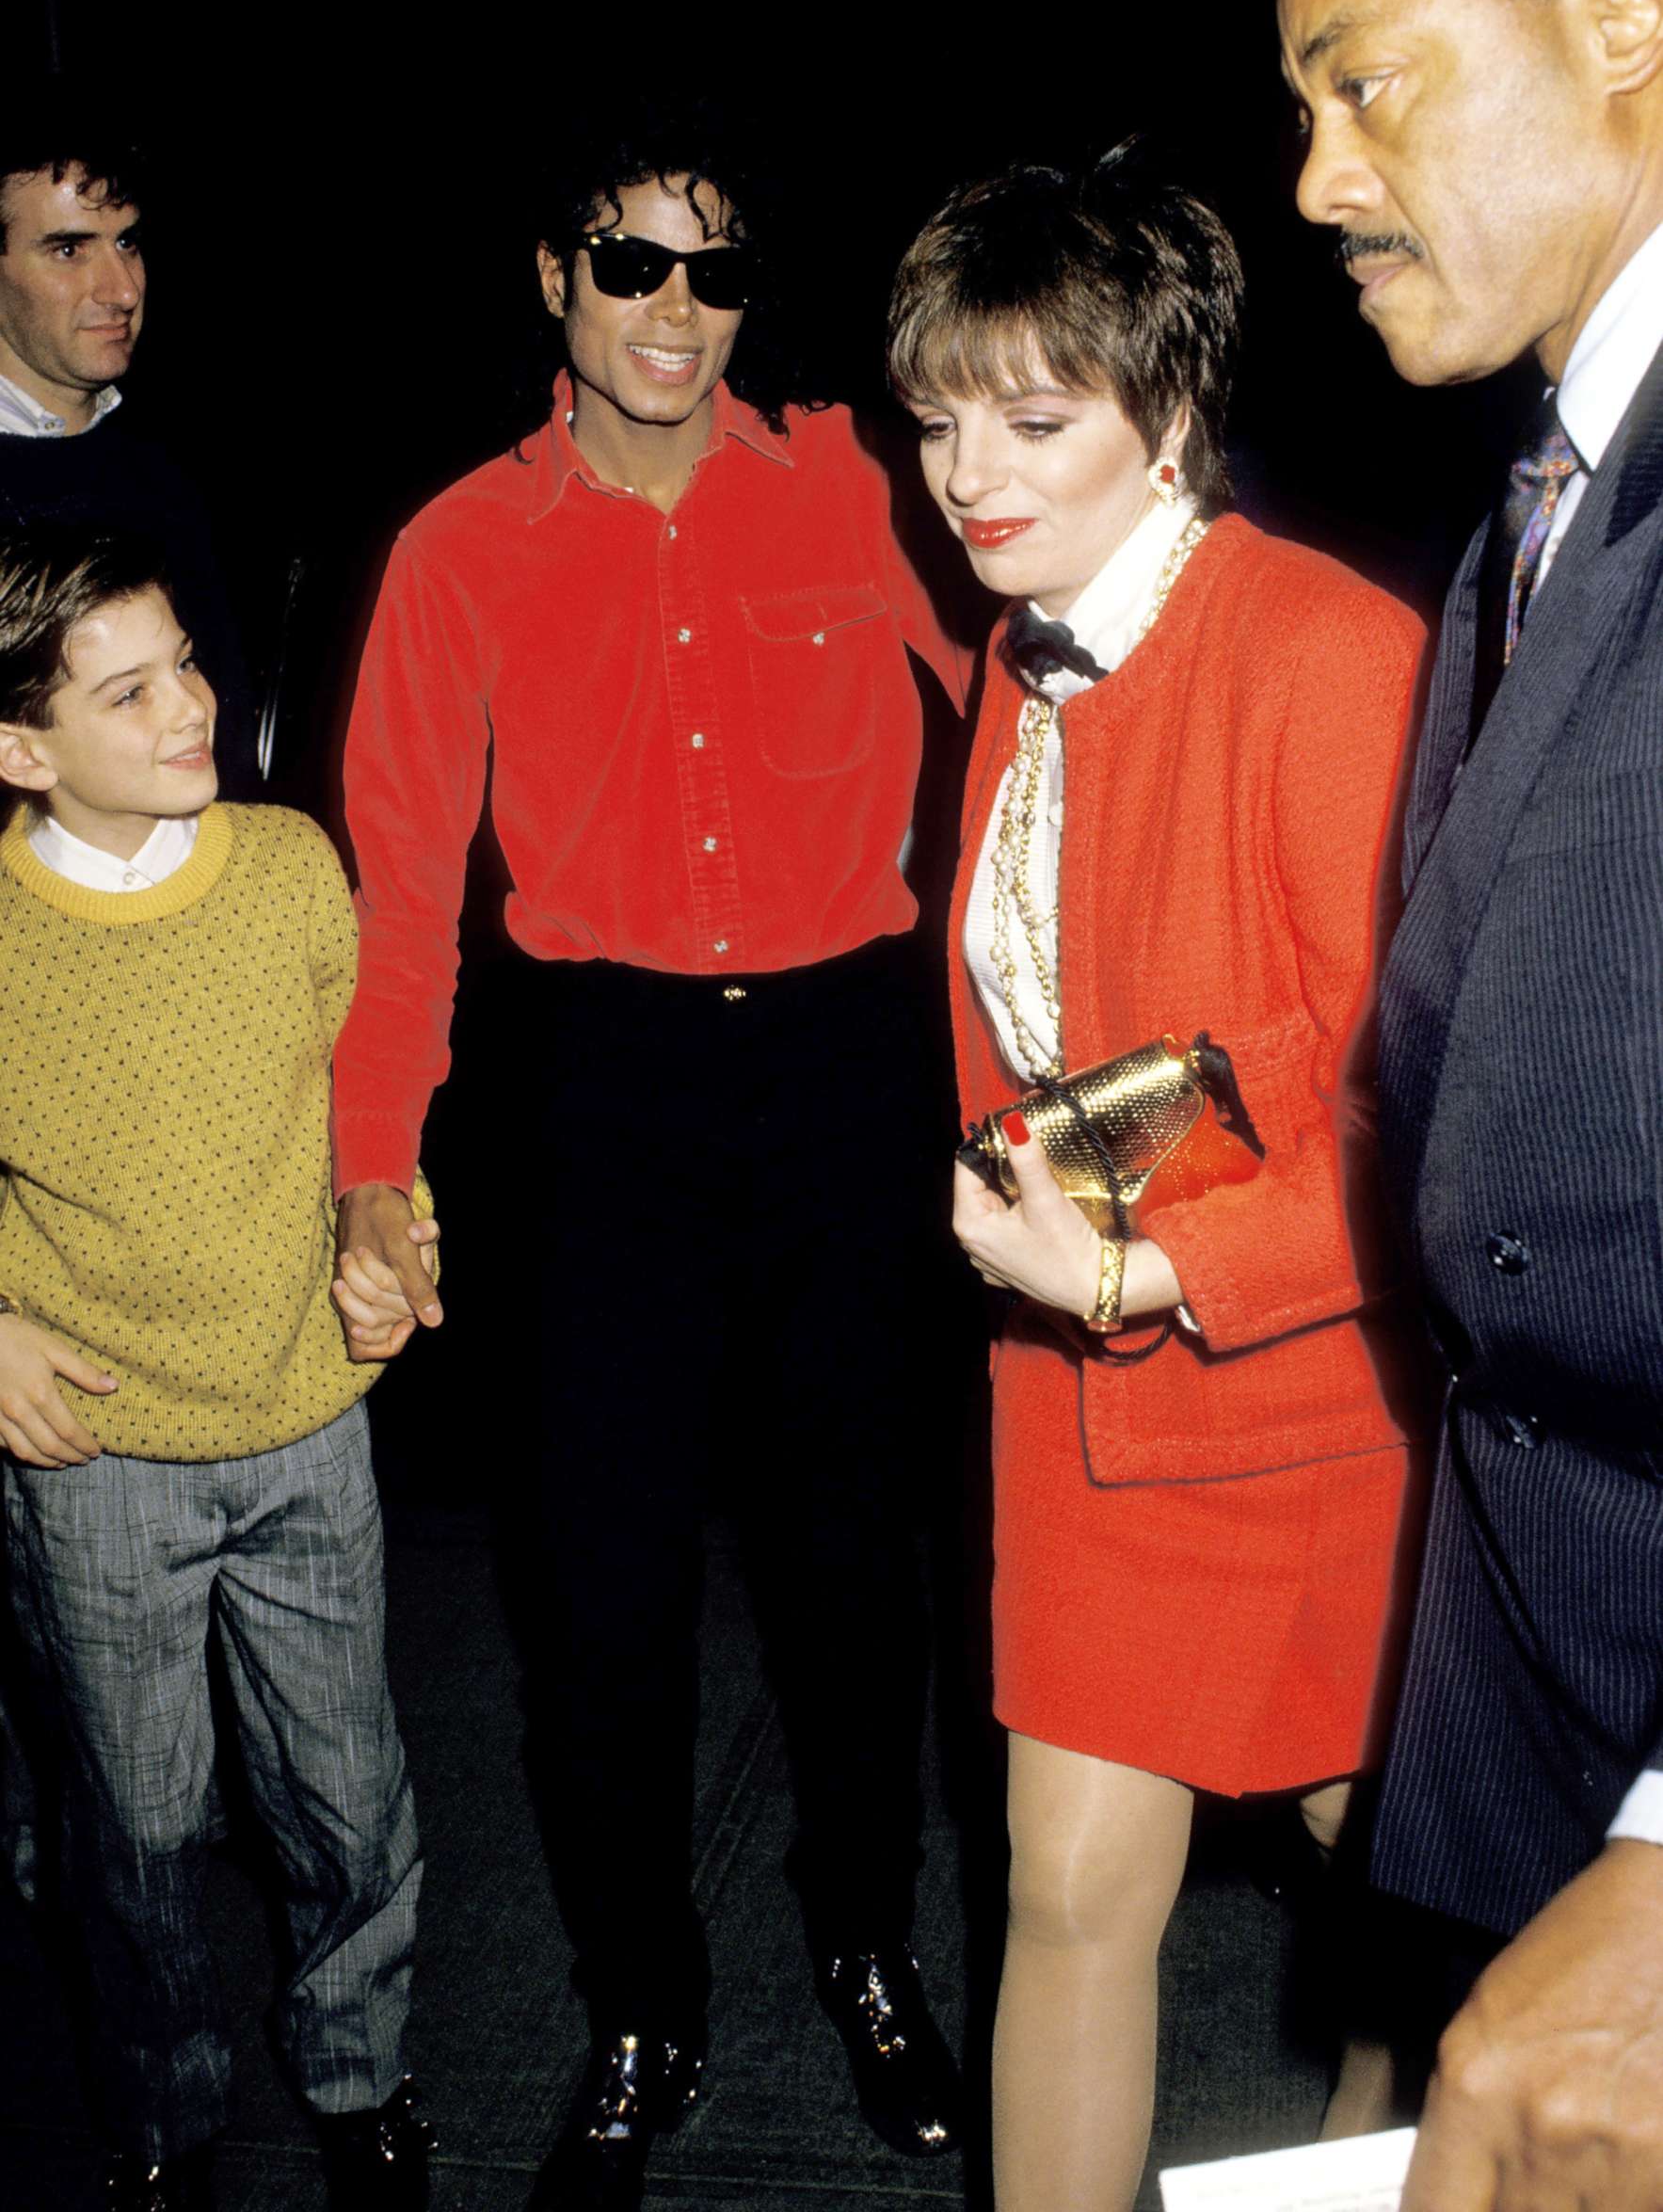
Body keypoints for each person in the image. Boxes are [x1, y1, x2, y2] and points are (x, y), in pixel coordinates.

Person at [329, 111, 974, 2210]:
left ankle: (869, 1951)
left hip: (844, 1075)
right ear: (552, 277)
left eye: (712, 274)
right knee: (596, 1591)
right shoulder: (455, 553)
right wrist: (370, 1171)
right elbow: (406, 891)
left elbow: (1048, 690)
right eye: (632, 267)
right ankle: (634, 2001)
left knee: (853, 1566)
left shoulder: (867, 491)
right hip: (597, 1100)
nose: (676, 315)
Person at [886, 145, 1426, 2212]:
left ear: (1174, 413)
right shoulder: (1015, 655)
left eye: (1033, 421)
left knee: (1393, 1900)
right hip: (1077, 1409)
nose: (967, 474)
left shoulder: (1318, 652)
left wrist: (1147, 1275)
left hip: (1300, 1409)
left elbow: (1407, 1112)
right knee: (1065, 1899)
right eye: (940, 418)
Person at [1282, 0, 1663, 2205]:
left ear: (1625, 9)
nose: (1312, 178)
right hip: (1535, 1676)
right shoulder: (1535, 491)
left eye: (1360, 75)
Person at [0, 527, 437, 2212]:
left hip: (307, 1421)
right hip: (94, 1456)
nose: (193, 704)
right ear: (25, 749)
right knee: (140, 1826)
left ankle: (359, 2067)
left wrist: (387, 1230)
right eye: (131, 691)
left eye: (187, 660)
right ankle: (164, 2111)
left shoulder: (284, 868)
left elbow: (366, 1116)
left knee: (347, 1789)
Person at [0, 95, 258, 794]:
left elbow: (228, 737)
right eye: (68, 249)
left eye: (127, 242)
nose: (120, 288)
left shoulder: (182, 457)